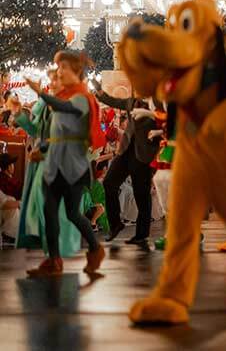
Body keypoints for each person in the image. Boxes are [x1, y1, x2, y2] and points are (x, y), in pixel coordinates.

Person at [25, 50, 106, 277]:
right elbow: (55, 134)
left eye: (63, 68)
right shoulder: (62, 97)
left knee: (72, 213)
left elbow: (66, 109)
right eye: (58, 68)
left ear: (76, 71)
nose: (59, 72)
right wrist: (41, 149)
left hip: (73, 166)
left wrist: (40, 92)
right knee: (49, 212)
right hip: (53, 165)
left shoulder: (81, 97)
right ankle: (54, 260)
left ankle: (95, 248)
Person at [13, 69, 84, 257]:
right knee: (40, 208)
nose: (52, 83)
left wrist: (44, 152)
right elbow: (35, 130)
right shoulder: (44, 105)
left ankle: (60, 254)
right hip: (42, 165)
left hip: (60, 164)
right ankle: (51, 255)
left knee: (58, 212)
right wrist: (19, 114)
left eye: (57, 79)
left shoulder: (71, 104)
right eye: (51, 79)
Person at [95, 86, 160, 246]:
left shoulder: (157, 102)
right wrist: (101, 93)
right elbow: (114, 101)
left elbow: (166, 121)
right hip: (126, 150)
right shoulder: (132, 101)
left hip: (143, 154)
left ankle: (141, 235)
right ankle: (116, 223)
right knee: (109, 182)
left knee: (141, 194)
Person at [0, 153, 20, 240]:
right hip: (9, 229)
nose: (13, 166)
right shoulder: (10, 182)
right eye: (12, 164)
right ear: (8, 167)